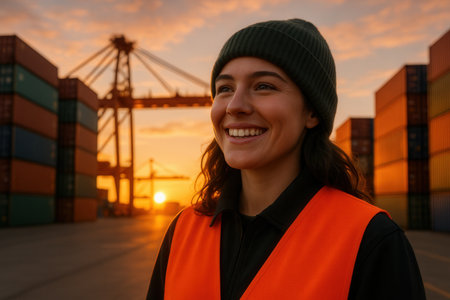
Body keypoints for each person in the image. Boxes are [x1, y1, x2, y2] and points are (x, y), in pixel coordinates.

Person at [147, 19, 426, 300]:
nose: (235, 105)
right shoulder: (183, 230)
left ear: (312, 113)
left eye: (264, 86)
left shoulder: (371, 240)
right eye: (224, 89)